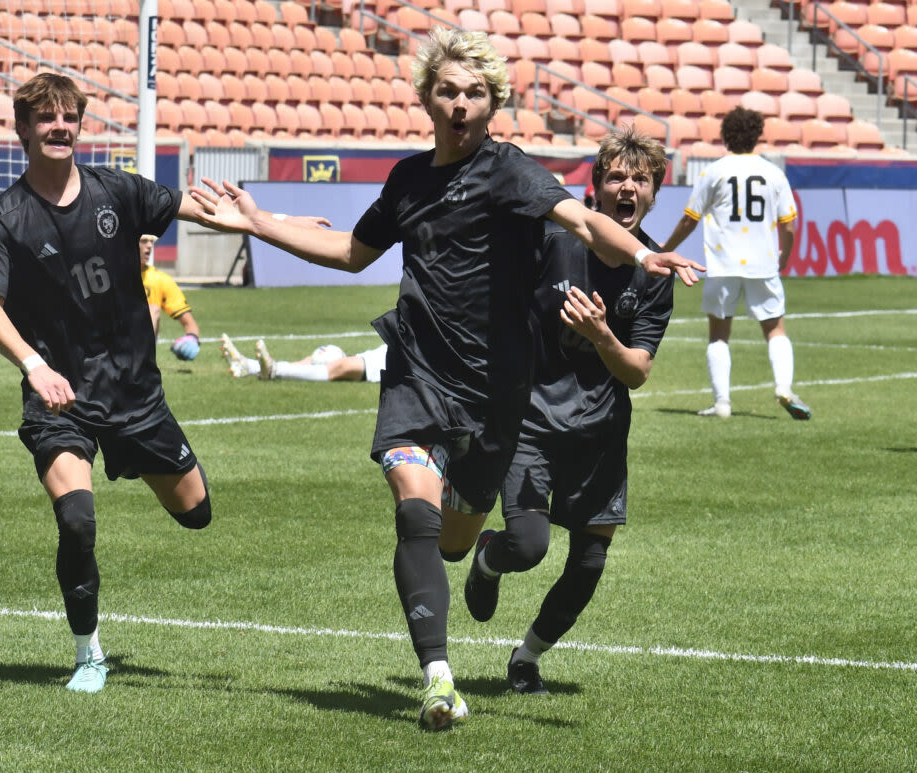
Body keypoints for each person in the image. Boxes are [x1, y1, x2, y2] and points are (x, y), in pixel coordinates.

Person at [189, 28, 702, 730]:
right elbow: (347, 250)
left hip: (495, 394)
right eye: (448, 91)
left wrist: (641, 256)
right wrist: (256, 220)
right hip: (417, 372)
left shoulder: (511, 171)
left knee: (456, 540)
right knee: (413, 513)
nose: (460, 104)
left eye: (475, 93)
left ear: (494, 104)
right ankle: (437, 679)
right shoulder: (407, 180)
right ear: (427, 98)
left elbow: (583, 221)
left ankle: (475, 563)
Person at [0, 73, 219, 694]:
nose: (59, 127)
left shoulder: (116, 190)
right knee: (77, 522)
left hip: (136, 395)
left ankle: (134, 460)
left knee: (197, 515)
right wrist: (34, 365)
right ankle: (88, 655)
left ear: (80, 124)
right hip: (62, 401)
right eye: (45, 118)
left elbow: (199, 207)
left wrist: (275, 225)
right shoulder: (3, 219)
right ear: (23, 130)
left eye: (69, 116)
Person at [453, 127, 676, 696]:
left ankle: (526, 658)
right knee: (528, 546)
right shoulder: (554, 239)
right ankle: (488, 558)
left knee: (590, 562)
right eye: (617, 177)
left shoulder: (653, 276)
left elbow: (637, 373)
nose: (628, 187)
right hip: (530, 420)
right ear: (596, 188)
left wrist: (603, 336)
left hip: (599, 434)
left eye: (640, 179)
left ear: (655, 192)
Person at [661, 106, 810, 420]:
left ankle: (722, 404)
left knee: (718, 334)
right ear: (757, 135)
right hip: (763, 263)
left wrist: (665, 249)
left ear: (726, 136)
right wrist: (784, 257)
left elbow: (690, 220)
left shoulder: (714, 171)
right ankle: (784, 387)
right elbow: (789, 226)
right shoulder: (774, 173)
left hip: (723, 262)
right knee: (775, 329)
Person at [220, 334, 388, 383]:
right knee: (327, 355)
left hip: (405, 360)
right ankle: (249, 366)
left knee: (343, 365)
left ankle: (273, 370)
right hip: (395, 349)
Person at [139, 233, 201, 361]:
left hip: (139, 348)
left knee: (152, 309)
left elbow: (190, 324)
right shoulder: (111, 275)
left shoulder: (160, 280)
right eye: (144, 241)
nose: (150, 246)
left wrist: (191, 339)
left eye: (151, 241)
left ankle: (142, 359)